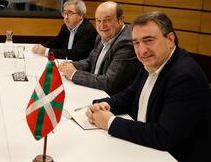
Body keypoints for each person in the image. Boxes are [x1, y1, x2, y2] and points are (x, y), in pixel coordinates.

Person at [86, 12, 211, 162]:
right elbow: (130, 95)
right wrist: (104, 105)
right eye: (136, 43)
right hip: (143, 147)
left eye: (149, 40)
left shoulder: (185, 77)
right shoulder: (153, 61)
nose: (142, 50)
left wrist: (110, 122)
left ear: (170, 40)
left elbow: (164, 136)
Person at [59, 1, 140, 95]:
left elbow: (108, 82)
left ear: (121, 19)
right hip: (93, 90)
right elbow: (90, 61)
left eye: (108, 20)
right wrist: (70, 65)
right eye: (98, 20)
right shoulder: (102, 35)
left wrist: (74, 74)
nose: (102, 26)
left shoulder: (127, 43)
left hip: (109, 99)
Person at [32, 0, 97, 60]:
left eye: (70, 13)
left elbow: (74, 54)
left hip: (78, 67)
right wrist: (41, 46)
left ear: (81, 15)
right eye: (65, 13)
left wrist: (46, 51)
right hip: (65, 63)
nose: (66, 17)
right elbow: (57, 41)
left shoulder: (88, 31)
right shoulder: (66, 26)